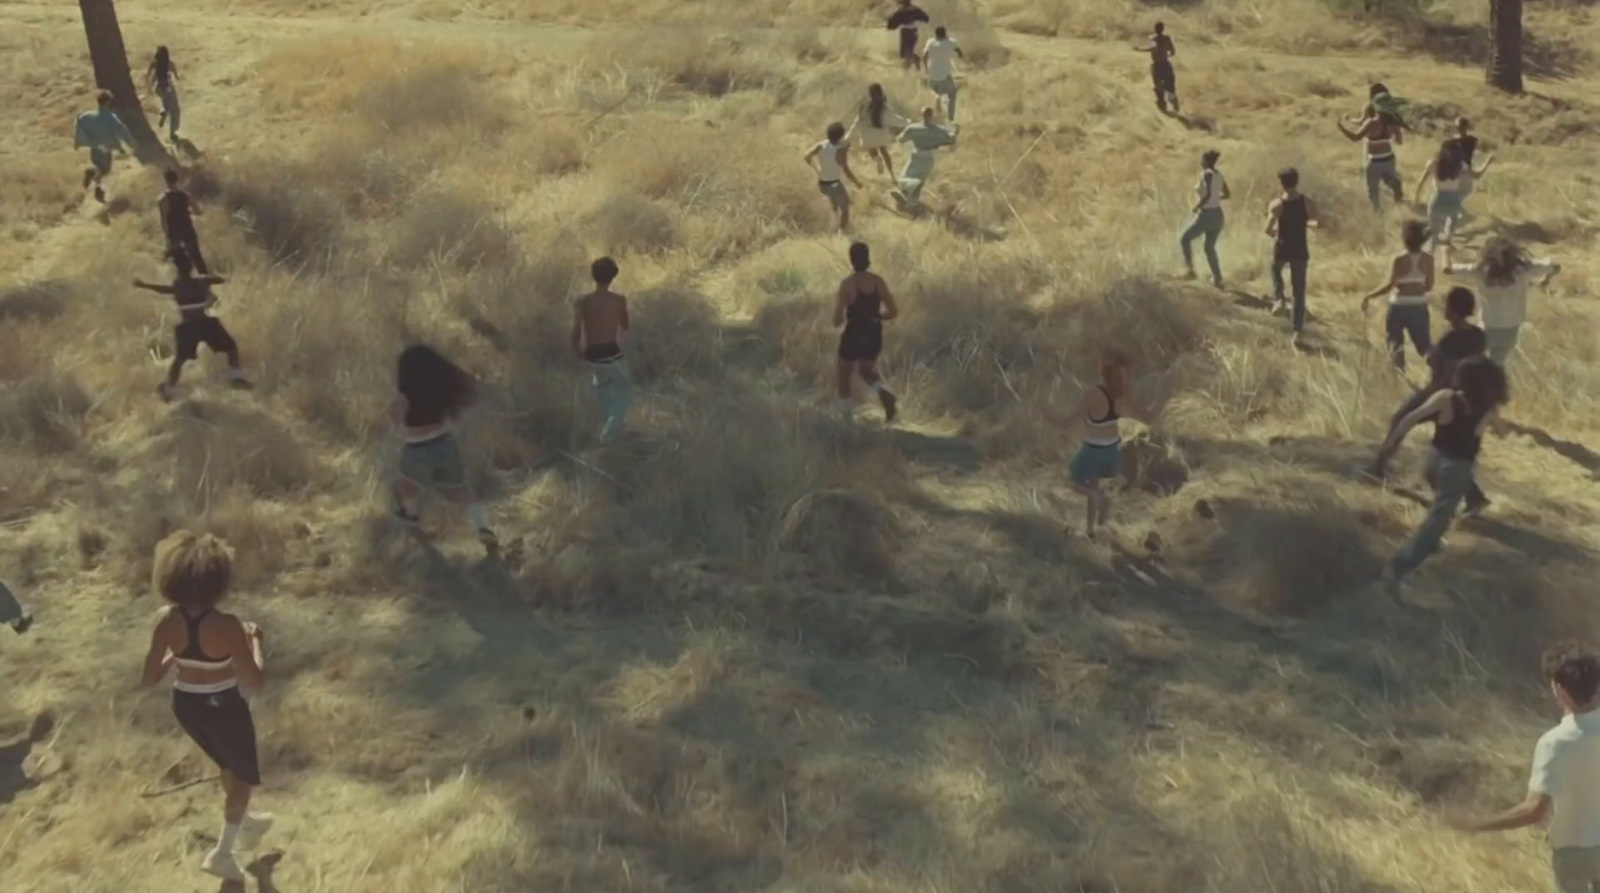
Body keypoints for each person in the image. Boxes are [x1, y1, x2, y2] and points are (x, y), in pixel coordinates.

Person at [138, 530, 272, 883]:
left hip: (186, 706)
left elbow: (150, 679)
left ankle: (244, 821)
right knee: (242, 778)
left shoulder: (165, 619)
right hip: (223, 704)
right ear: (217, 580)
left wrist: (177, 653)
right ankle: (223, 854)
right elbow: (256, 681)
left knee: (227, 763)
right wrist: (255, 641)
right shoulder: (227, 626)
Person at [1448, 641, 1600, 893]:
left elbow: (1533, 811)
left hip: (1574, 855)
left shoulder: (1555, 743)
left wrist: (1478, 824)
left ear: (1558, 688)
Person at [1373, 356, 1508, 585]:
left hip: (1433, 463)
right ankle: (1398, 567)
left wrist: (1390, 443)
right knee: (1438, 520)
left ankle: (1430, 544)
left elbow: (1410, 417)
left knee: (1440, 507)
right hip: (1457, 470)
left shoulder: (1445, 397)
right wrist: (1494, 423)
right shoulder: (1487, 409)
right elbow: (1502, 433)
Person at [1385, 286, 1491, 516]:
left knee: (1400, 419)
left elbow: (1441, 373)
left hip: (1442, 395)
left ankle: (1378, 468)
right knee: (1450, 451)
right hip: (1468, 399)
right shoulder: (1479, 335)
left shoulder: (1448, 339)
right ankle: (1474, 497)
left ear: (1452, 311)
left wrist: (1429, 382)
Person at [389, 345, 500, 556]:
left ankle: (411, 517)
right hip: (445, 445)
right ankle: (482, 527)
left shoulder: (404, 396)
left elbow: (394, 418)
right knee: (462, 490)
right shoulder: (439, 389)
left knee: (407, 483)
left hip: (416, 449)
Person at [1062, 350, 1163, 541]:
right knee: (1098, 488)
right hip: (1112, 452)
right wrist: (1162, 394)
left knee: (1077, 482)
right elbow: (1148, 417)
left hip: (1092, 452)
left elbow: (1067, 422)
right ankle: (1094, 531)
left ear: (1103, 372)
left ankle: (1096, 518)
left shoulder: (1093, 394)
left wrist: (1044, 412)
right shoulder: (1123, 395)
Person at [133, 247, 250, 402]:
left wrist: (145, 285)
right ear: (190, 267)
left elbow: (164, 290)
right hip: (205, 323)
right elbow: (217, 279)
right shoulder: (200, 282)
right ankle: (235, 377)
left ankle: (169, 389)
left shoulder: (179, 286)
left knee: (180, 360)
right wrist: (222, 277)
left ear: (177, 269)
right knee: (231, 347)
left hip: (189, 327)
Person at [1443, 237, 1560, 367]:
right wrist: (1546, 281)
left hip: (1486, 327)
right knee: (1496, 367)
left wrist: (1445, 250)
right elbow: (1555, 266)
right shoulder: (1524, 270)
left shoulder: (1480, 271)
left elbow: (1447, 269)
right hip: (1511, 329)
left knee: (1473, 366)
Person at [833, 241, 900, 423]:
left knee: (844, 375)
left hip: (854, 333)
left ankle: (846, 419)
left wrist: (846, 312)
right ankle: (884, 394)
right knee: (866, 370)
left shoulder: (847, 284)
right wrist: (877, 317)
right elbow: (894, 311)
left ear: (852, 260)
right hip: (873, 332)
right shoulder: (878, 282)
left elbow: (837, 320)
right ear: (867, 258)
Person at [570, 257, 633, 446]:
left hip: (592, 354)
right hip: (611, 353)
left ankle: (613, 430)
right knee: (624, 389)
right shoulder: (619, 300)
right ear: (613, 277)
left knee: (603, 389)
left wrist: (577, 352)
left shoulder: (582, 302)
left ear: (593, 275)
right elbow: (625, 325)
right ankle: (610, 433)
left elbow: (575, 331)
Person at [1361, 220, 1434, 371]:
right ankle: (1437, 371)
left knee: (1395, 344)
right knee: (1425, 346)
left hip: (1398, 305)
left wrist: (1369, 295)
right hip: (1419, 305)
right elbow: (1429, 286)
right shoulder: (1428, 259)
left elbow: (1389, 285)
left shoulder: (1399, 260)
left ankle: (1400, 377)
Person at [1265, 167, 1319, 344]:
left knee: (1275, 269)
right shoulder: (1306, 202)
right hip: (1300, 249)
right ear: (1297, 181)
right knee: (1299, 291)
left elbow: (1267, 229)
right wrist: (1307, 225)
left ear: (1281, 183)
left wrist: (1277, 234)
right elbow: (1316, 221)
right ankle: (1297, 331)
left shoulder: (1276, 204)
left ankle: (1279, 298)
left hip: (1282, 247)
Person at [1337, 83, 1406, 211]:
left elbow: (1355, 137)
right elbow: (1399, 141)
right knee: (1389, 180)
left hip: (1374, 160)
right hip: (1389, 158)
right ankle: (1396, 194)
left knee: (1373, 192)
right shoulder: (1393, 122)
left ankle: (1378, 213)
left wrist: (1341, 127)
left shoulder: (1372, 122)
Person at [73, 90, 136, 204]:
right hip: (106, 149)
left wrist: (79, 141)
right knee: (105, 170)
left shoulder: (89, 115)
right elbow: (122, 130)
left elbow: (79, 121)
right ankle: (98, 189)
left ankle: (96, 182)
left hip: (95, 148)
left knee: (97, 166)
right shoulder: (111, 117)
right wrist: (131, 143)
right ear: (108, 102)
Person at [893, 106, 958, 214]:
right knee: (919, 180)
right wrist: (956, 131)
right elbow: (951, 140)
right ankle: (911, 202)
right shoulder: (938, 131)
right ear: (931, 116)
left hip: (916, 153)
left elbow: (901, 139)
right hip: (928, 155)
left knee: (907, 175)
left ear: (922, 115)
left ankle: (905, 196)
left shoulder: (913, 128)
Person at [1179, 149, 1229, 287]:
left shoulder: (1206, 174)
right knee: (1209, 247)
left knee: (1184, 239)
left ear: (1205, 161)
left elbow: (1206, 195)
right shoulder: (1219, 174)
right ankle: (1217, 278)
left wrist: (1198, 205)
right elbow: (1227, 194)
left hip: (1206, 214)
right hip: (1218, 214)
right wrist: (1215, 198)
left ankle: (1190, 270)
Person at [804, 122, 864, 232]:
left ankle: (833, 225)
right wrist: (857, 183)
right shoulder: (840, 150)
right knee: (845, 208)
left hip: (822, 183)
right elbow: (846, 169)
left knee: (834, 204)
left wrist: (816, 168)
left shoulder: (821, 145)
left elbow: (806, 156)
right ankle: (841, 232)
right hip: (834, 184)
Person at [847, 83, 910, 180]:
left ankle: (877, 159)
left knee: (872, 150)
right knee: (884, 151)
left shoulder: (864, 106)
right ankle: (892, 175)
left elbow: (858, 121)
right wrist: (907, 122)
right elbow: (894, 119)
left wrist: (849, 134)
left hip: (867, 135)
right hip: (880, 134)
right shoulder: (883, 107)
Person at [1415, 141, 1469, 250]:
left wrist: (1417, 197)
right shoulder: (1461, 165)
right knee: (1451, 228)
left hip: (1437, 199)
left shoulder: (1434, 163)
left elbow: (1421, 181)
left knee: (1433, 235)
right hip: (1454, 201)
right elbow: (1472, 178)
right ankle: (1447, 246)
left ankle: (1430, 257)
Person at [160, 168, 208, 275]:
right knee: (196, 257)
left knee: (176, 261)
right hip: (187, 230)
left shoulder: (164, 199)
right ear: (177, 180)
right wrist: (189, 211)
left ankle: (182, 284)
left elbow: (164, 221)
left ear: (166, 181)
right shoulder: (186, 196)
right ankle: (205, 281)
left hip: (174, 233)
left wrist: (167, 237)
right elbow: (198, 211)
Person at [1443, 116, 1494, 208]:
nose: (1460, 129)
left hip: (1465, 171)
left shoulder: (1471, 140)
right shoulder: (1452, 141)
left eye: (1461, 127)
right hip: (1456, 171)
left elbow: (1479, 150)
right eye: (1458, 127)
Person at [922, 26, 964, 121]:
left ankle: (937, 108)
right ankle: (950, 118)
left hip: (932, 75)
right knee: (952, 93)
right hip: (944, 76)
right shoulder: (951, 42)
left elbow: (924, 56)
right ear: (945, 33)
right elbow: (960, 53)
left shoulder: (930, 42)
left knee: (936, 93)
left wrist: (926, 69)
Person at [1135, 22, 1178, 114]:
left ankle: (1163, 105)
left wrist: (1139, 50)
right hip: (1166, 64)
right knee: (1170, 86)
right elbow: (1173, 51)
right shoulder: (1167, 38)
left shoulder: (1153, 39)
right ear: (1163, 29)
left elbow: (1152, 48)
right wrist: (1167, 54)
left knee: (1159, 86)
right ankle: (1173, 107)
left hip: (1158, 66)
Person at [146, 45, 181, 144]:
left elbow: (148, 75)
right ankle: (172, 134)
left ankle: (163, 111)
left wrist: (149, 87)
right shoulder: (169, 64)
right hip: (168, 88)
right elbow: (176, 75)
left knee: (165, 103)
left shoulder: (154, 63)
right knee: (175, 110)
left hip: (158, 88)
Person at [886, 1, 931, 71]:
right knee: (911, 50)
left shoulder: (900, 11)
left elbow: (891, 25)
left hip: (905, 32)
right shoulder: (915, 9)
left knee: (905, 53)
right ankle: (914, 65)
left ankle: (908, 68)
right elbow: (926, 18)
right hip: (914, 31)